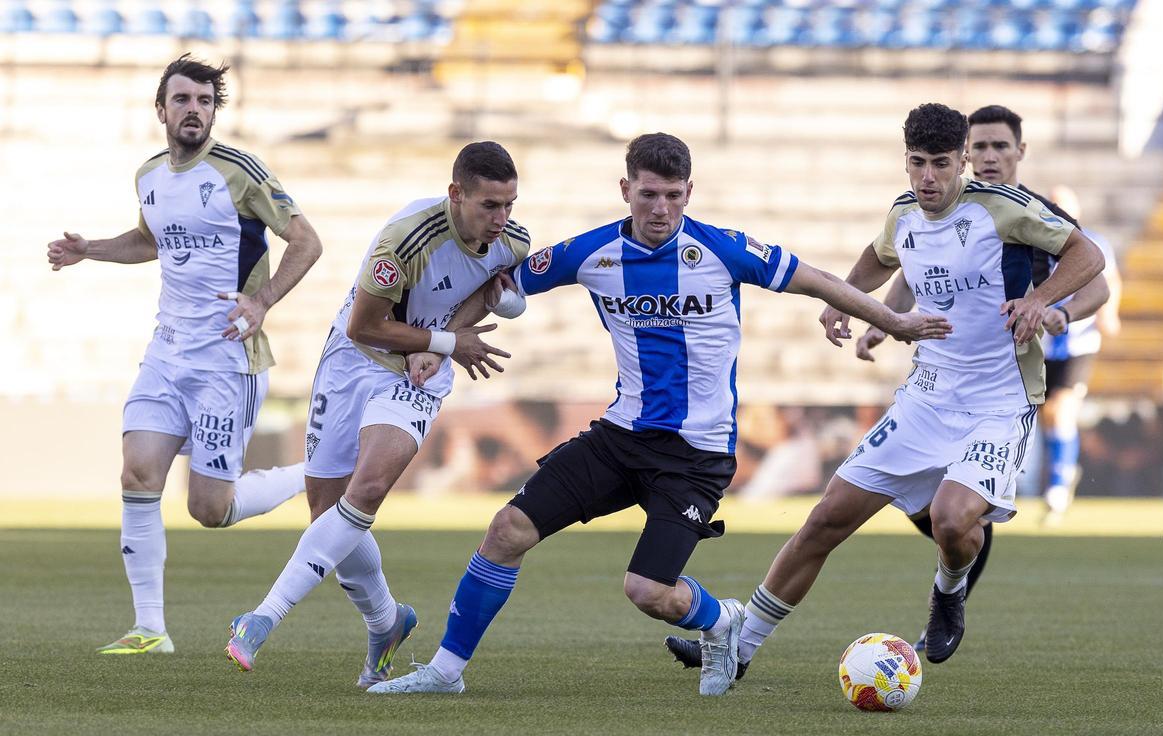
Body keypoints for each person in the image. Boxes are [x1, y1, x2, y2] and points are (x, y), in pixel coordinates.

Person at [364, 132, 951, 698]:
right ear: (626, 190)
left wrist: (892, 320)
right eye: (648, 194)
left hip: (697, 456)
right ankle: (446, 670)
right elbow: (502, 282)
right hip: (620, 437)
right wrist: (440, 338)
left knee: (646, 590)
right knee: (505, 530)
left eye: (673, 196)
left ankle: (721, 620)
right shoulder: (591, 252)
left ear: (689, 193)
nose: (661, 208)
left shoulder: (722, 249)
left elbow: (816, 279)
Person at [667, 103, 1104, 680]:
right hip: (926, 396)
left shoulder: (1007, 210)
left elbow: (1088, 256)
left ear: (963, 161)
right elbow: (880, 258)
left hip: (999, 401)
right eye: (918, 164)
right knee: (827, 518)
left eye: (941, 164)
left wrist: (1042, 301)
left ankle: (948, 592)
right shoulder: (904, 215)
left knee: (952, 521)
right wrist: (844, 301)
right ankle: (739, 648)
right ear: (906, 162)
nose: (928, 178)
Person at [46, 55, 322, 655]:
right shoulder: (148, 176)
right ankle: (151, 629)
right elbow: (149, 240)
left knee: (209, 509)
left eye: (204, 101)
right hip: (166, 354)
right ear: (162, 110)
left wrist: (263, 301)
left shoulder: (239, 171)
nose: (193, 110)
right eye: (182, 100)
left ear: (213, 110)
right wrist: (89, 248)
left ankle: (310, 474)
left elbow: (306, 240)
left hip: (227, 361)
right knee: (137, 471)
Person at [224, 141, 527, 686]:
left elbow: (491, 287)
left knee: (365, 490)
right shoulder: (405, 239)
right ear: (456, 195)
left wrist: (440, 347)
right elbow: (366, 326)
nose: (501, 220)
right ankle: (386, 622)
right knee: (327, 510)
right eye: (489, 206)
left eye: (509, 204)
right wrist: (444, 339)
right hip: (354, 359)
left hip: (418, 376)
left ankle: (263, 616)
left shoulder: (513, 240)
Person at [1040, 185, 1122, 519]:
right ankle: (1061, 471)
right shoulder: (1036, 245)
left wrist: (1109, 313)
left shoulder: (1094, 243)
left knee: (1062, 409)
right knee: (1048, 414)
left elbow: (1111, 281)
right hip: (1044, 343)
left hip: (1080, 339)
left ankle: (1058, 484)